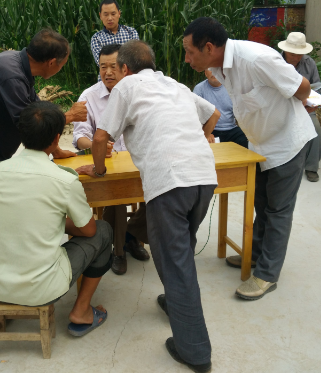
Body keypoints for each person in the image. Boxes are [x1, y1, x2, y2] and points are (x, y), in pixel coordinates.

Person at [76, 40, 221, 373]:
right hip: (203, 176)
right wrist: (201, 140)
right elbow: (212, 114)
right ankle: (174, 302)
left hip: (170, 181)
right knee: (181, 248)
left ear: (125, 68)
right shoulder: (174, 85)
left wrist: (99, 170)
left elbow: (100, 138)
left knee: (175, 261)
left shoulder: (126, 86)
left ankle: (195, 352)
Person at [183, 17, 316, 301]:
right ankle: (255, 254)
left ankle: (267, 274)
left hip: (287, 142)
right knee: (262, 204)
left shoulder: (257, 59)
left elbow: (303, 87)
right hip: (259, 142)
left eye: (189, 52)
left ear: (209, 48)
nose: (186, 59)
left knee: (278, 210)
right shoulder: (219, 67)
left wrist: (300, 102)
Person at [0, 101, 112, 337]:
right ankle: (81, 311)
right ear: (57, 139)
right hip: (41, 290)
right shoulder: (65, 181)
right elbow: (88, 231)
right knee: (102, 230)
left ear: (22, 135)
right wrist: (57, 221)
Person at [0, 29, 87, 222]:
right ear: (52, 62)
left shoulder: (18, 66)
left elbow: (36, 109)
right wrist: (70, 116)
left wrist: (56, 150)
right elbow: (31, 123)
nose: (62, 67)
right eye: (63, 64)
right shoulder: (11, 75)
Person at [73, 43, 150, 275]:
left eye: (113, 66)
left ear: (124, 67)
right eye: (102, 67)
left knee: (158, 192)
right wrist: (96, 146)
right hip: (107, 164)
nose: (107, 72)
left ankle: (132, 237)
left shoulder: (138, 92)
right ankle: (117, 251)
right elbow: (80, 137)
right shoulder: (89, 96)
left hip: (137, 160)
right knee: (117, 196)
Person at [279, 32, 321, 182]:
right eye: (293, 54)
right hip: (280, 107)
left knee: (315, 128)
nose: (297, 58)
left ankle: (311, 167)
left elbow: (317, 88)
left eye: (300, 54)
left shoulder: (309, 63)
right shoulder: (275, 62)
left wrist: (312, 103)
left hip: (305, 108)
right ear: (285, 50)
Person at [193, 68, 248, 148]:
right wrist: (206, 133)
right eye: (210, 69)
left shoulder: (232, 88)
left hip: (231, 128)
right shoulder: (199, 89)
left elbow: (241, 112)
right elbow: (195, 115)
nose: (213, 72)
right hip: (211, 130)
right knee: (203, 145)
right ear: (205, 73)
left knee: (246, 140)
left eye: (216, 69)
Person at [90, 0, 139, 67]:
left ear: (119, 14)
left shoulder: (131, 33)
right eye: (106, 15)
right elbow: (101, 63)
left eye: (113, 14)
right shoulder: (96, 38)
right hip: (107, 73)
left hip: (128, 73)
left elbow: (135, 58)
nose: (110, 18)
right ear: (100, 16)